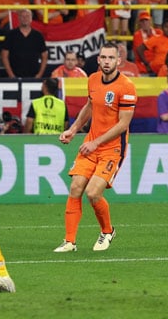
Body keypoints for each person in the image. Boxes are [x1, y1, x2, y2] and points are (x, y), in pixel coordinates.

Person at [54, 43, 138, 253]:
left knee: (93, 193)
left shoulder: (126, 86)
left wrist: (96, 142)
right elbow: (90, 105)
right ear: (98, 60)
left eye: (111, 58)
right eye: (103, 57)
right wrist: (73, 130)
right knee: (75, 188)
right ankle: (70, 242)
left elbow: (123, 124)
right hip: (91, 145)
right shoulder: (92, 79)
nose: (106, 61)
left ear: (118, 61)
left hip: (112, 149)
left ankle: (107, 231)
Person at [1, 9, 48, 78]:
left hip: (34, 75)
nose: (25, 18)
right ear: (18, 18)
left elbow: (45, 56)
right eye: (22, 16)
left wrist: (39, 75)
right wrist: (11, 75)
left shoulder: (38, 35)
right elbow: (4, 56)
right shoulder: (11, 34)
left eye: (27, 16)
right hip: (15, 75)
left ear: (31, 19)